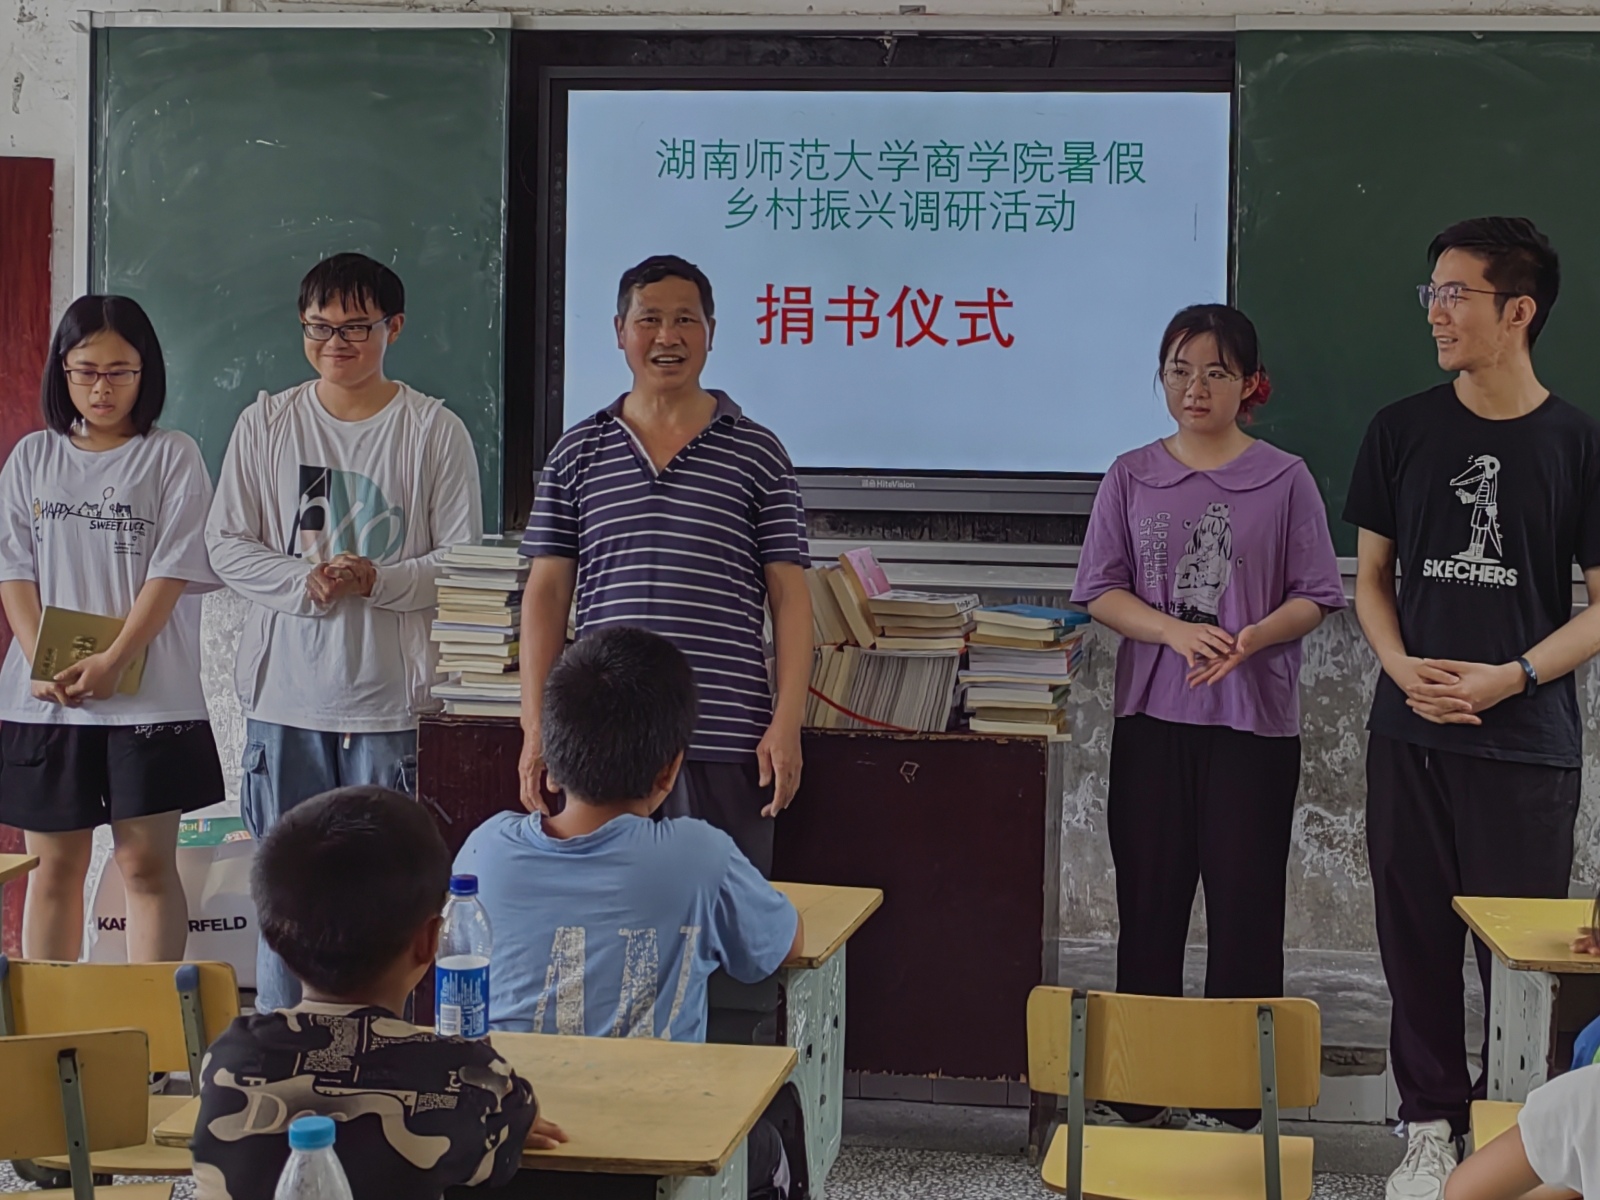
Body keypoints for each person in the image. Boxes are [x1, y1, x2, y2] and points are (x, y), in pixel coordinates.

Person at [1345, 217, 1600, 1200]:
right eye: (1433, 293)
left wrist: (1512, 676)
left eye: (1456, 294)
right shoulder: (1400, 429)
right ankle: (1428, 1128)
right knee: (1412, 940)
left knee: (1518, 960)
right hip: (1409, 731)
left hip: (1525, 742)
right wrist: (1397, 665)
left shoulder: (1577, 442)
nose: (1436, 313)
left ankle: (1515, 1136)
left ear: (1518, 310)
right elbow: (1372, 579)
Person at [1071, 303, 1345, 1130]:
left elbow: (1316, 594)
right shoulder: (1130, 475)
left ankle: (1235, 1105)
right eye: (1179, 370)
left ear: (1249, 384)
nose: (1195, 388)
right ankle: (1139, 1093)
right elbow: (1100, 589)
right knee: (1149, 910)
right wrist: (1174, 631)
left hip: (1252, 730)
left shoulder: (1286, 478)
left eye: (1216, 372)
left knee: (1245, 912)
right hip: (1152, 723)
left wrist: (1252, 636)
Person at [206, 252, 483, 1012]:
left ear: (395, 327)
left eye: (356, 327)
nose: (337, 343)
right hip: (285, 700)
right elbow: (225, 544)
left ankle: (388, 1051)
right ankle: (283, 1048)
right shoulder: (267, 423)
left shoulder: (433, 430)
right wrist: (305, 581)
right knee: (286, 898)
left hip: (392, 705)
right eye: (319, 327)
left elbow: (461, 562)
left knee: (394, 897)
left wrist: (377, 580)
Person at [455, 626, 801, 1197]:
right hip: (653, 1159)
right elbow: (782, 945)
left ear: (550, 763)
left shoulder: (484, 852)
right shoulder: (700, 856)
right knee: (771, 1135)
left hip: (511, 1150)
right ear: (669, 771)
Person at [517, 255, 811, 877]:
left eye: (685, 320)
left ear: (711, 332)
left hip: (725, 737)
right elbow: (546, 595)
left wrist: (787, 723)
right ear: (620, 331)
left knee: (722, 917)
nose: (667, 336)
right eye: (649, 319)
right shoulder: (578, 451)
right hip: (601, 742)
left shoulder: (758, 452)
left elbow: (789, 596)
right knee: (605, 917)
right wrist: (537, 726)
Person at [191, 786, 565, 1200]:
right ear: (430, 940)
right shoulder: (468, 1074)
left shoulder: (229, 1056)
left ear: (273, 938)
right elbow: (515, 1130)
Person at [0, 295, 224, 963]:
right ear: (62, 370)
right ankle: (50, 1020)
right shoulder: (33, 457)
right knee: (53, 870)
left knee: (145, 867)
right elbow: (13, 568)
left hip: (150, 699)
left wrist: (116, 658)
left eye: (120, 371)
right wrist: (43, 661)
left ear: (145, 371)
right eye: (86, 370)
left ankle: (151, 1025)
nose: (102, 388)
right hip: (48, 702)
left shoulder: (172, 455)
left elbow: (171, 571)